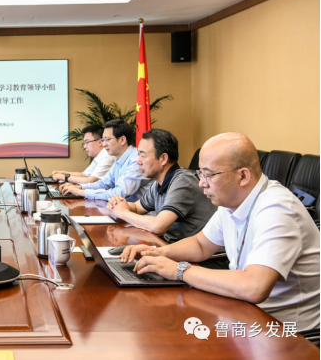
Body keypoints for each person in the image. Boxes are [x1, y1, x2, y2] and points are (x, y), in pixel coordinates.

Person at [121, 132, 320, 331]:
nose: (201, 183)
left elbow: (254, 287)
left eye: (209, 175)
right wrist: (158, 253)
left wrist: (179, 270)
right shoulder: (231, 201)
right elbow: (200, 245)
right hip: (243, 312)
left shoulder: (277, 209)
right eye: (200, 173)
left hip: (286, 331)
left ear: (243, 176)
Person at [107, 129, 216, 243]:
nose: (138, 161)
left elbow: (158, 226)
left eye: (143, 156)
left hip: (196, 253)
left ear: (163, 158)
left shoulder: (183, 182)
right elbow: (137, 208)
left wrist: (123, 213)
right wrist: (117, 204)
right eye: (138, 155)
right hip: (170, 245)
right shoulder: (159, 182)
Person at [60, 119, 151, 201]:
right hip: (122, 209)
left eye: (107, 139)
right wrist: (79, 187)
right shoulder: (119, 159)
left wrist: (81, 192)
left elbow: (120, 193)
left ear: (122, 140)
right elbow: (104, 184)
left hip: (138, 212)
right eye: (103, 140)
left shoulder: (136, 160)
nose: (104, 144)